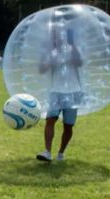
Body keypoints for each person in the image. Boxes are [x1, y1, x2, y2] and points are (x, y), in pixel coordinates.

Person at [37, 24, 83, 162]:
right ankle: (47, 152)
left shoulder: (74, 49)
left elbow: (79, 62)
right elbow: (42, 69)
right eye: (55, 34)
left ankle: (61, 152)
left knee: (68, 126)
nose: (58, 36)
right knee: (50, 120)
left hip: (73, 92)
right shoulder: (52, 52)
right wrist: (47, 56)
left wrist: (73, 44)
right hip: (56, 91)